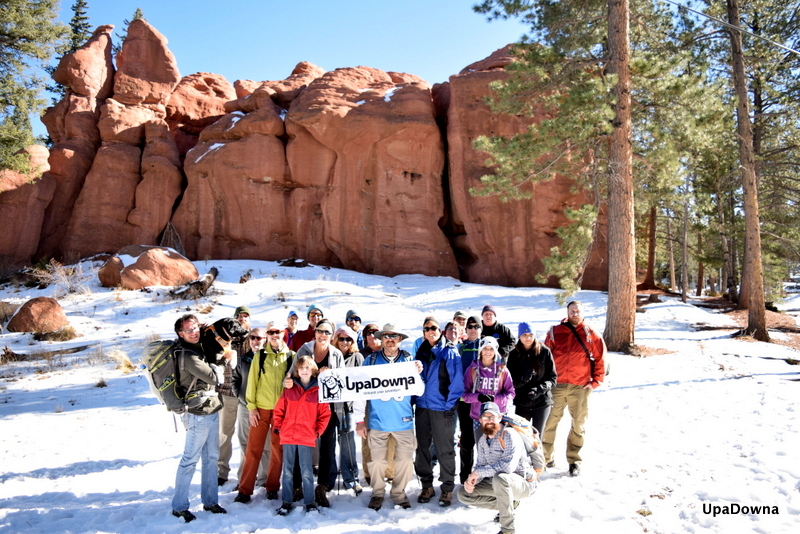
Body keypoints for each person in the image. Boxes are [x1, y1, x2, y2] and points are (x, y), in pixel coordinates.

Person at [354, 323, 423, 511]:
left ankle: (399, 493)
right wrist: (360, 420)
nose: (390, 340)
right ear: (381, 339)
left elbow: (420, 390)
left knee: (405, 461)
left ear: (400, 340)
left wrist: (417, 373)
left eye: (394, 337)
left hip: (404, 422)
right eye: (386, 337)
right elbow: (360, 392)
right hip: (378, 421)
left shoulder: (409, 360)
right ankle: (377, 493)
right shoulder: (372, 360)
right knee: (376, 462)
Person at [170, 314, 227, 522]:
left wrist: (206, 332)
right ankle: (179, 506)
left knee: (211, 458)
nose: (193, 333)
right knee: (190, 460)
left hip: (211, 409)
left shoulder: (198, 346)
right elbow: (214, 378)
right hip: (197, 414)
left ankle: (211, 501)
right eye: (188, 330)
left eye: (195, 328)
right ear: (180, 334)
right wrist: (223, 362)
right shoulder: (187, 355)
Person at [542, 300, 606, 477]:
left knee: (578, 424)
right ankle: (546, 458)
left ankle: (574, 460)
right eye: (572, 311)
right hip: (557, 385)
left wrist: (595, 381)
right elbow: (545, 357)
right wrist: (545, 380)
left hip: (580, 386)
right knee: (549, 422)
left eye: (578, 311)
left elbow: (601, 358)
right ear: (567, 312)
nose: (575, 313)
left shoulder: (590, 333)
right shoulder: (555, 331)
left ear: (582, 312)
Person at [234, 321, 295, 503]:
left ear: (283, 333)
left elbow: (296, 384)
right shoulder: (260, 356)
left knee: (277, 450)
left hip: (280, 412)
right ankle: (245, 490)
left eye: (277, 332)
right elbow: (251, 383)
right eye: (271, 332)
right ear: (267, 335)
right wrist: (251, 408)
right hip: (260, 409)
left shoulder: (291, 356)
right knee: (253, 449)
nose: (274, 335)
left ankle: (272, 487)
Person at [457, 402, 537, 534]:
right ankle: (510, 503)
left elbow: (507, 467)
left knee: (501, 478)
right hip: (501, 485)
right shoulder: (483, 440)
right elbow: (480, 465)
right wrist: (472, 481)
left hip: (523, 484)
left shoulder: (509, 434)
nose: (489, 421)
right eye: (485, 417)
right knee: (464, 494)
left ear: (499, 418)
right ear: (480, 420)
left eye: (492, 417)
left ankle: (507, 529)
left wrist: (478, 472)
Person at [293, 318, 344, 507]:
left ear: (332, 336)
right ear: (314, 332)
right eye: (320, 331)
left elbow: (342, 382)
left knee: (327, 448)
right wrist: (314, 375)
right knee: (303, 444)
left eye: (327, 332)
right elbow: (293, 374)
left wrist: (329, 375)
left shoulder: (336, 354)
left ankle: (321, 486)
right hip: (306, 406)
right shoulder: (304, 351)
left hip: (328, 408)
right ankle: (298, 485)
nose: (323, 335)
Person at [414, 317, 464, 507]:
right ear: (424, 333)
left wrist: (449, 407)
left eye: (434, 327)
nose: (430, 331)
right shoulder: (421, 352)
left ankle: (447, 488)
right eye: (427, 328)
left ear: (440, 330)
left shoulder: (449, 352)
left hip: (441, 408)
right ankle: (426, 485)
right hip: (422, 407)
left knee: (445, 450)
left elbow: (457, 383)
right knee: (423, 450)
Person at [273, 356, 332, 515]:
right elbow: (279, 411)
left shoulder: (318, 391)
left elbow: (325, 415)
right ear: (297, 371)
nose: (304, 371)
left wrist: (317, 432)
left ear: (313, 370)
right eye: (301, 368)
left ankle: (310, 502)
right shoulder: (289, 389)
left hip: (307, 437)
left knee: (307, 471)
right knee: (288, 471)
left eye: (307, 368)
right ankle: (286, 501)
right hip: (289, 435)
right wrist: (279, 427)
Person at [231, 327, 269, 490]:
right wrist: (243, 399)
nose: (255, 341)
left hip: (265, 407)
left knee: (266, 444)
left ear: (265, 340)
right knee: (244, 442)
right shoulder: (243, 359)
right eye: (252, 338)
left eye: (259, 338)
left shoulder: (270, 359)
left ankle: (264, 478)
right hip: (246, 407)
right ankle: (244, 478)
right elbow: (234, 380)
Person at [358, 323, 395, 484]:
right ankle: (368, 472)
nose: (372, 336)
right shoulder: (362, 355)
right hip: (368, 402)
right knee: (368, 439)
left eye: (375, 333)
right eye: (368, 333)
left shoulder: (388, 353)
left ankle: (390, 471)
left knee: (390, 438)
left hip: (388, 402)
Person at [507, 322, 557, 435]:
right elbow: (510, 381)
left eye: (530, 335)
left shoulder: (544, 351)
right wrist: (523, 379)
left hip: (542, 401)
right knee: (521, 436)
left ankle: (538, 453)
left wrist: (539, 389)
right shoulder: (514, 354)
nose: (528, 338)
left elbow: (552, 378)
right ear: (519, 336)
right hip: (522, 402)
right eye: (524, 335)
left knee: (537, 436)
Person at [462, 337, 515, 444]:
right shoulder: (472, 370)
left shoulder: (502, 370)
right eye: (485, 348)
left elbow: (510, 393)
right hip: (479, 417)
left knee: (499, 449)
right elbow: (464, 394)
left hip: (498, 417)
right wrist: (478, 397)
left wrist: (495, 399)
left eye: (491, 349)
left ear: (495, 351)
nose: (488, 352)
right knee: (481, 448)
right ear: (480, 350)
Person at [217, 306, 248, 486]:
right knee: (225, 433)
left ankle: (244, 472)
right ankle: (221, 471)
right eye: (240, 317)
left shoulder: (253, 338)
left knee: (245, 437)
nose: (243, 319)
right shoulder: (225, 339)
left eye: (246, 317)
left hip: (245, 394)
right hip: (227, 392)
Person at [333, 325, 365, 494]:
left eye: (348, 339)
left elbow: (364, 381)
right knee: (329, 444)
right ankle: (329, 478)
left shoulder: (357, 357)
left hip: (350, 407)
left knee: (348, 443)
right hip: (331, 407)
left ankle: (351, 478)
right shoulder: (330, 355)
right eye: (341, 338)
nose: (344, 342)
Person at [457, 315, 483, 483]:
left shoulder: (487, 346)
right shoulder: (460, 348)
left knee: (485, 439)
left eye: (476, 326)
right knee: (467, 439)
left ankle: (483, 475)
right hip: (465, 400)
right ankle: (465, 475)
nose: (473, 329)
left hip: (484, 401)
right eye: (470, 326)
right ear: (465, 330)